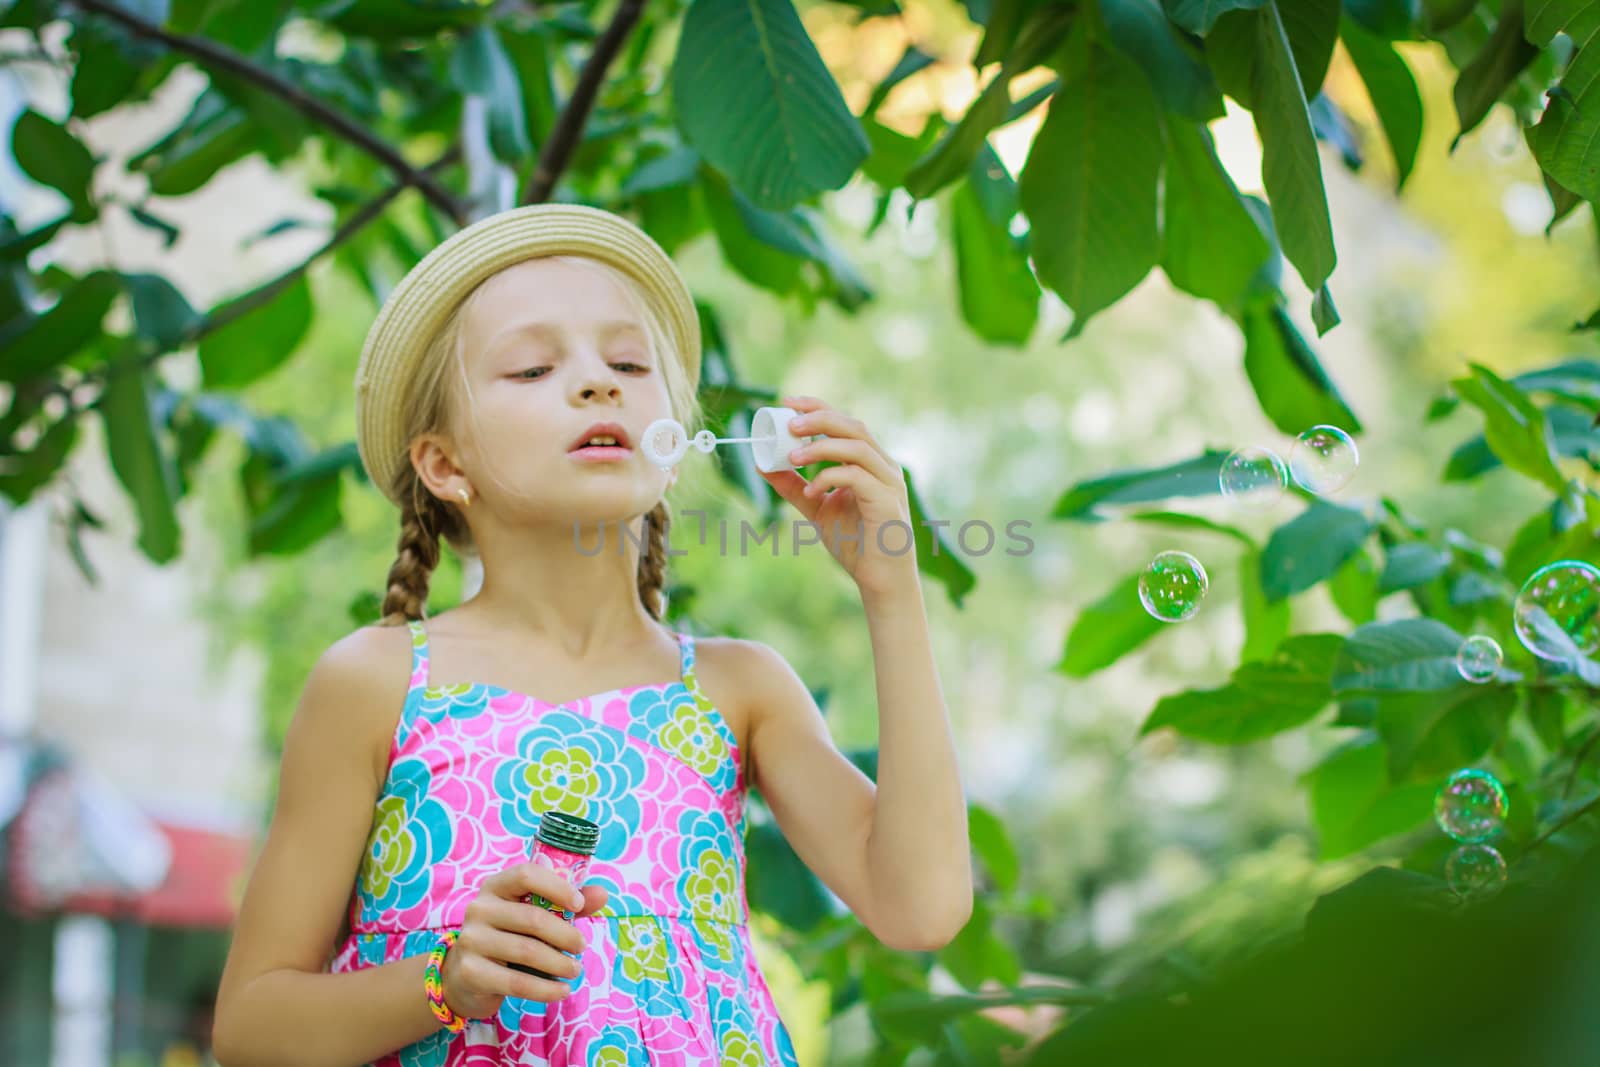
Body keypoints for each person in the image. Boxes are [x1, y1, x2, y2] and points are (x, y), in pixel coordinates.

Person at [211, 203, 972, 1066]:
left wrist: (891, 590)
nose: (598, 382)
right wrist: (444, 981)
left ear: (673, 445)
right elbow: (250, 1025)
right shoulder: (376, 681)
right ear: (445, 465)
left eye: (627, 361)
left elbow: (922, 906)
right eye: (534, 368)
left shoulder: (740, 689)